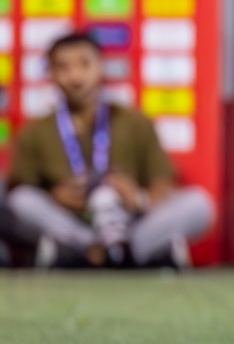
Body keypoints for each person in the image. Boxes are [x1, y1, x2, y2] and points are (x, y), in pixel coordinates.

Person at [4, 32, 214, 268]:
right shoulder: (35, 131)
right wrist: (57, 197)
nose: (75, 76)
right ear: (51, 74)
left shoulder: (134, 121)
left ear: (101, 67)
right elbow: (20, 191)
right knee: (21, 202)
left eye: (85, 64)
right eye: (63, 67)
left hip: (130, 222)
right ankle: (97, 250)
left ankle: (123, 249)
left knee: (199, 204)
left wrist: (138, 199)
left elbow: (162, 181)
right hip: (72, 222)